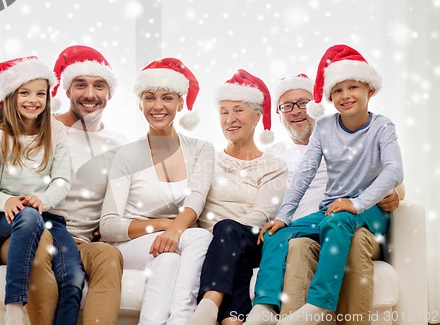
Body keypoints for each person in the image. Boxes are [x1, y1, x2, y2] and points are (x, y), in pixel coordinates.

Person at [246, 44, 404, 325]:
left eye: (353, 87)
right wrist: (283, 217)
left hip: (368, 212)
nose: (345, 95)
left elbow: (394, 171)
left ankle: (319, 305)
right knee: (275, 234)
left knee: (339, 218)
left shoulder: (382, 126)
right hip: (331, 211)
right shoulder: (325, 128)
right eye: (338, 90)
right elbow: (306, 172)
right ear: (330, 97)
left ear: (370, 90)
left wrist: (357, 203)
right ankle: (265, 307)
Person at [0, 45, 125, 325]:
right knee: (41, 246)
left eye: (98, 85)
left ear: (109, 92)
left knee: (109, 255)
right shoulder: (39, 125)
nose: (90, 94)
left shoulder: (118, 145)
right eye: (80, 84)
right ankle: (20, 308)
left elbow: (121, 199)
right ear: (65, 90)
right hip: (30, 230)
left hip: (74, 237)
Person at [100, 57, 214, 325]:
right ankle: (185, 318)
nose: (158, 106)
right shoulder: (126, 155)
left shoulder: (201, 149)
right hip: (130, 244)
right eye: (150, 97)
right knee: (196, 238)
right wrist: (164, 225)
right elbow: (108, 225)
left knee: (168, 261)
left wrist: (174, 231)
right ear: (140, 104)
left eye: (168, 98)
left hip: (172, 244)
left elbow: (196, 196)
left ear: (181, 103)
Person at [0, 57, 73, 325]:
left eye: (40, 93)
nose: (33, 100)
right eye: (24, 93)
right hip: (14, 220)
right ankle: (15, 304)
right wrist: (6, 201)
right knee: (28, 216)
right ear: (11, 97)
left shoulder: (57, 132)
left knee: (72, 274)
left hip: (51, 218)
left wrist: (41, 199)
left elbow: (63, 181)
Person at [186, 69, 288, 325]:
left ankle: (208, 306)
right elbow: (192, 199)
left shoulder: (274, 165)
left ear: (257, 116)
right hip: (212, 241)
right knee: (230, 247)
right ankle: (233, 319)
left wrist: (221, 231)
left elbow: (263, 213)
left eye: (238, 110)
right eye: (224, 111)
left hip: (251, 238)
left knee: (228, 231)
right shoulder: (208, 157)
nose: (230, 119)